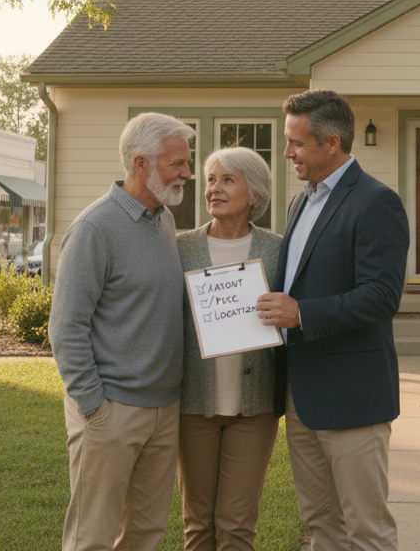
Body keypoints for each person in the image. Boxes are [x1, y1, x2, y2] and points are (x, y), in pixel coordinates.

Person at [255, 90, 409, 551]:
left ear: (333, 143)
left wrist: (302, 313)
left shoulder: (376, 202)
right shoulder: (300, 203)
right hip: (301, 395)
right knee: (322, 525)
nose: (287, 153)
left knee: (366, 529)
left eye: (297, 143)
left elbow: (382, 296)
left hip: (352, 397)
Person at [48, 112, 193, 551]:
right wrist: (94, 405)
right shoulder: (95, 228)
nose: (188, 173)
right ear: (140, 164)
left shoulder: (164, 221)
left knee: (146, 535)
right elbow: (66, 327)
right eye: (177, 163)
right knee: (92, 537)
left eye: (187, 162)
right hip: (110, 410)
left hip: (165, 409)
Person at [176, 147, 285, 551]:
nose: (213, 189)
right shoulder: (180, 247)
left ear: (253, 194)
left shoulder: (278, 250)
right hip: (193, 406)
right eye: (210, 179)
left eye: (227, 180)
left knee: (237, 526)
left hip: (253, 410)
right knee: (198, 525)